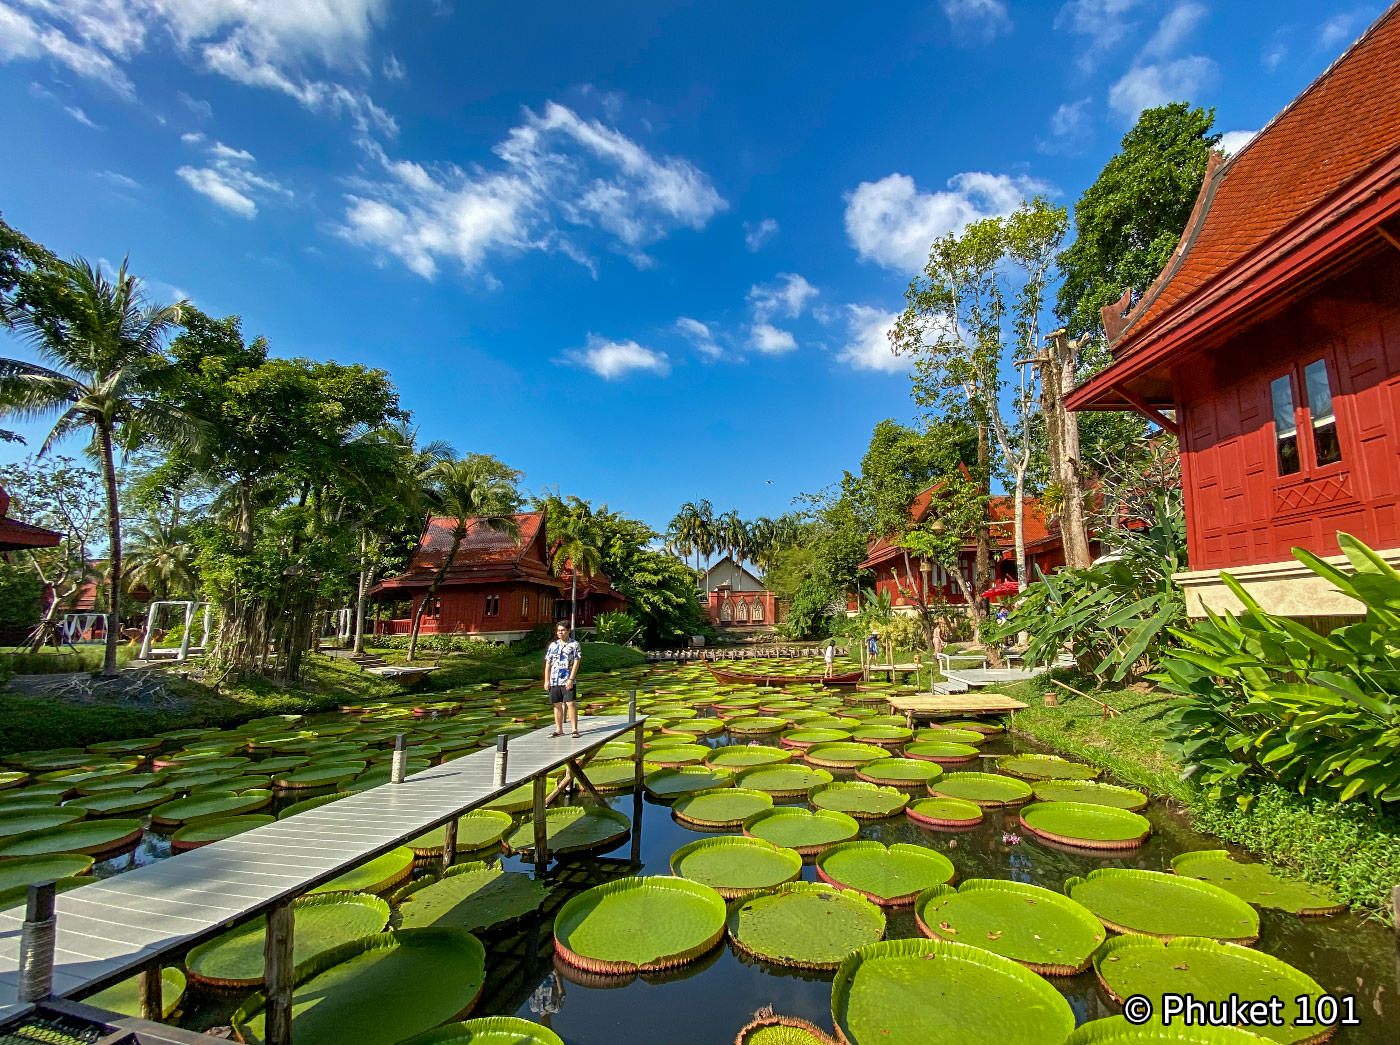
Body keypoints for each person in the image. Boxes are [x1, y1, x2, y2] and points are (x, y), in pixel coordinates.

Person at [544, 621, 581, 738]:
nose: (560, 632)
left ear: (568, 630)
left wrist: (571, 679)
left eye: (563, 630)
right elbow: (548, 663)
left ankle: (574, 729)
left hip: (567, 679)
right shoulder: (553, 645)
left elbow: (576, 662)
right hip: (554, 680)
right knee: (557, 705)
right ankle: (559, 729)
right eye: (559, 630)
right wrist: (546, 680)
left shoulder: (574, 645)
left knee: (570, 703)